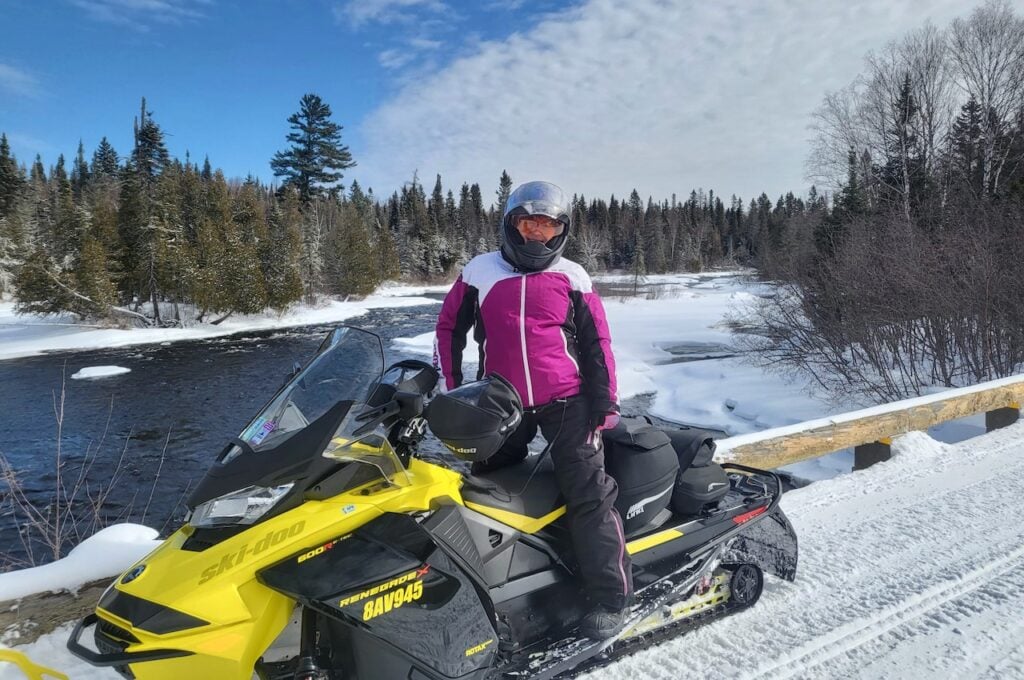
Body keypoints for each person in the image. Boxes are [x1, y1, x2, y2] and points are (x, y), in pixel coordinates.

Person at [433, 180, 632, 639]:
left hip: (569, 401)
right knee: (479, 487)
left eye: (547, 226)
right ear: (511, 224)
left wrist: (606, 400)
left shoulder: (573, 276)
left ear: (560, 230)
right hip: (501, 402)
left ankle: (610, 597)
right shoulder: (480, 272)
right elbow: (450, 328)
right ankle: (490, 584)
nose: (537, 235)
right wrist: (454, 387)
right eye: (529, 224)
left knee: (588, 492)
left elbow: (597, 342)